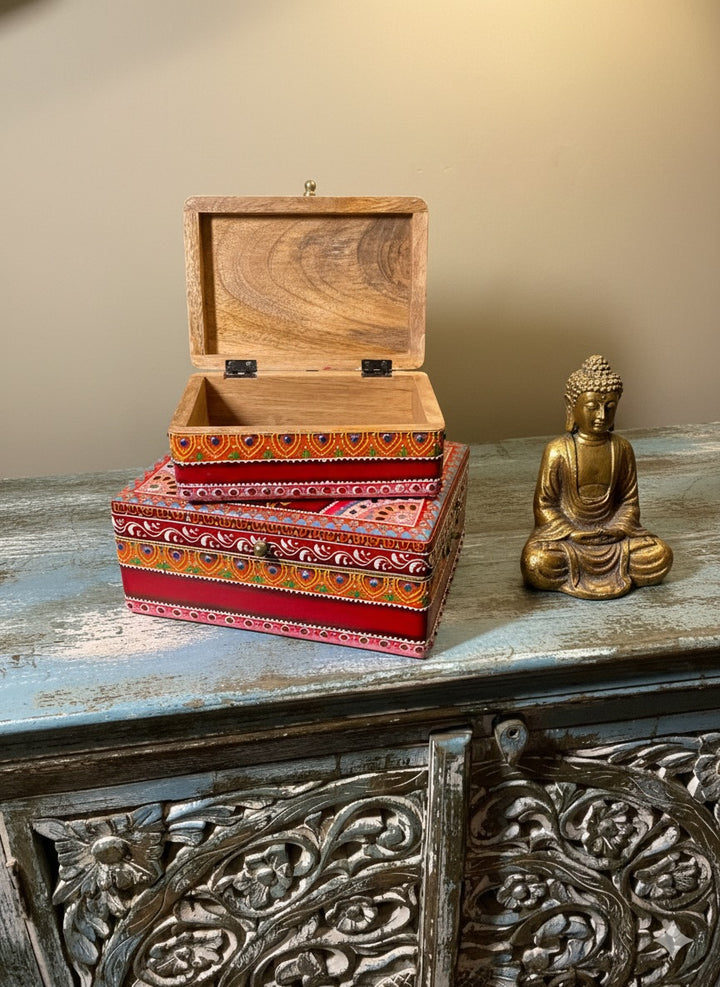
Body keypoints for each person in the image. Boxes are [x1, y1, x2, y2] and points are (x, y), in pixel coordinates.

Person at [521, 355, 673, 600]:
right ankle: (580, 565)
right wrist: (572, 532)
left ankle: (613, 567)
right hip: (570, 540)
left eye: (610, 407)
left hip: (615, 540)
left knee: (659, 554)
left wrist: (616, 529)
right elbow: (544, 504)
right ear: (572, 406)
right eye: (592, 407)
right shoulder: (558, 450)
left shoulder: (621, 449)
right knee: (537, 562)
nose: (601, 415)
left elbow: (629, 502)